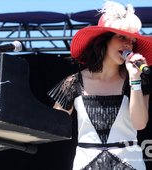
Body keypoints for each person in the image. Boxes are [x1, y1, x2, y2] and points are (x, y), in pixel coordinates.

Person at [48, 1, 152, 169]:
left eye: (132, 41)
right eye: (122, 37)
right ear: (104, 41)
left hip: (129, 164)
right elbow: (53, 126)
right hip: (86, 164)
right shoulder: (74, 82)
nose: (128, 45)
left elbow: (139, 124)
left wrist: (135, 79)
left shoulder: (138, 79)